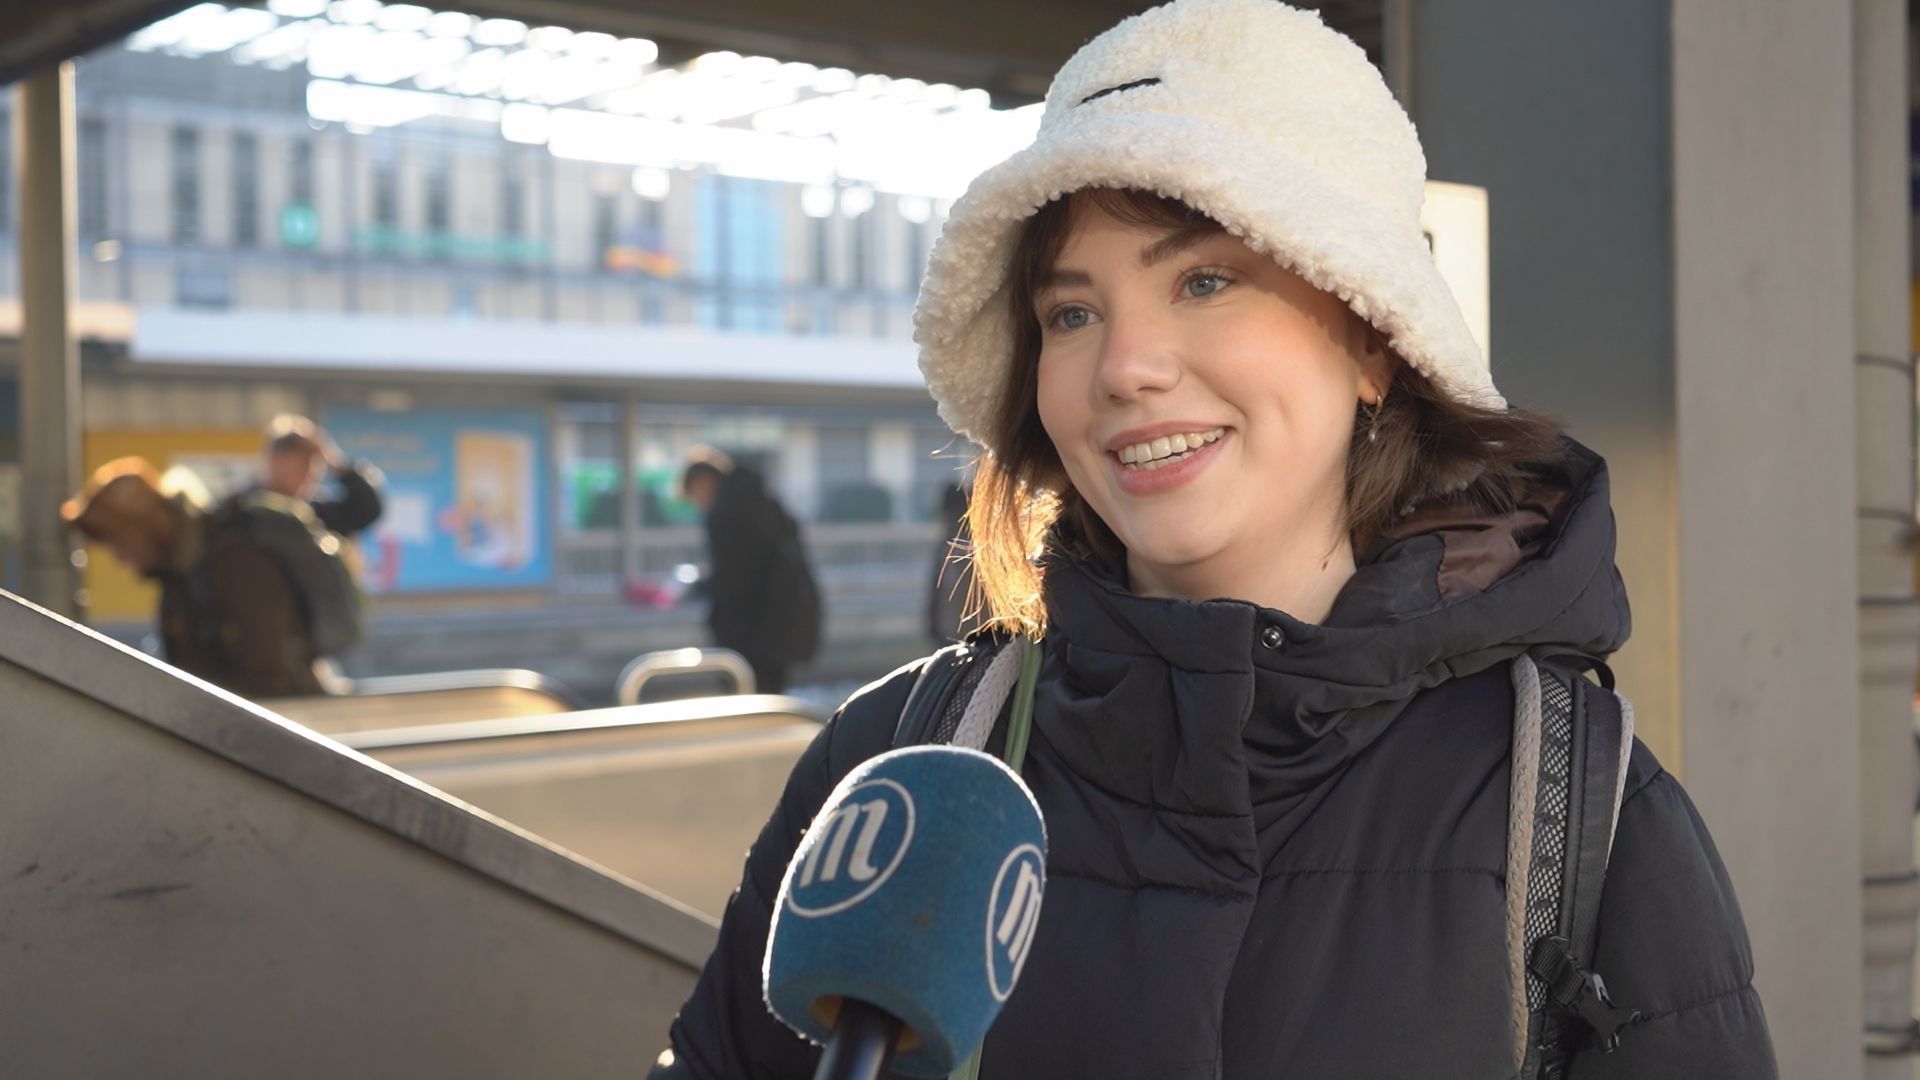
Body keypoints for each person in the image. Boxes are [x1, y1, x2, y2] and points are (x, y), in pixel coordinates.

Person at [651, 2, 1774, 1078]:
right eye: (1071, 312)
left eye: (1204, 280)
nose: (1125, 366)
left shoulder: (1577, 808)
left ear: (1373, 339)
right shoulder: (899, 766)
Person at [62, 458, 335, 698]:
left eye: (120, 541)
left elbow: (268, 672)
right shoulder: (180, 573)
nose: (119, 558)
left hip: (281, 732)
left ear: (151, 527)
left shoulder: (234, 561)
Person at [680, 447, 822, 693]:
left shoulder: (725, 513)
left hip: (750, 633)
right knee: (771, 701)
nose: (700, 504)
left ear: (703, 482)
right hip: (782, 624)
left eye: (695, 495)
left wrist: (699, 585)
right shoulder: (764, 501)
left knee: (745, 698)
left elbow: (732, 579)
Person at [259, 413, 384, 537]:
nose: (309, 473)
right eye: (302, 464)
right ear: (275, 461)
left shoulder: (317, 515)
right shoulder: (250, 509)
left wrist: (334, 459)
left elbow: (368, 508)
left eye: (315, 464)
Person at [925, 481, 981, 643]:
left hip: (954, 637)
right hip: (976, 640)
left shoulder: (951, 545)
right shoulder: (982, 545)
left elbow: (936, 594)